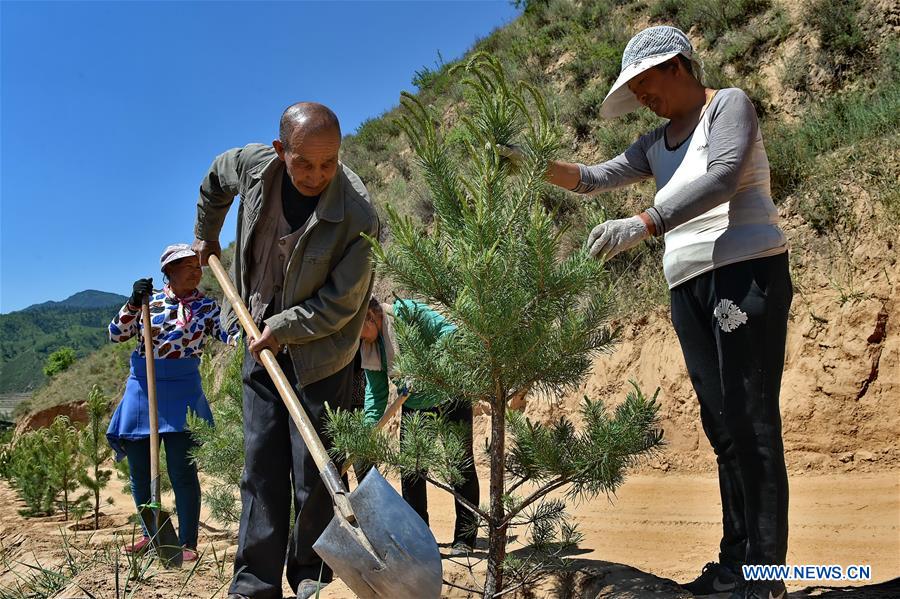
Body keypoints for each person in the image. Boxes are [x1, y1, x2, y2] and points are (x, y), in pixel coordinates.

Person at [508, 25, 792, 599]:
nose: (641, 96)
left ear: (679, 67)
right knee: (722, 429)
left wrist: (645, 223)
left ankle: (766, 576)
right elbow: (591, 180)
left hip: (742, 277)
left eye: (645, 83)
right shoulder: (654, 143)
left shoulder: (728, 106)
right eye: (633, 89)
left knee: (750, 420)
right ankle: (735, 563)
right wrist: (526, 162)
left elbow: (724, 175)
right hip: (688, 288)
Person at [192, 102, 379, 599]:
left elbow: (341, 305)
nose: (317, 174)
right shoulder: (255, 167)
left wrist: (282, 326)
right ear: (281, 151)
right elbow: (215, 178)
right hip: (260, 340)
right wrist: (206, 236)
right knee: (261, 468)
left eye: (329, 162)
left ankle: (310, 579)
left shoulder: (358, 215)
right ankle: (253, 586)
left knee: (314, 477)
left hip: (324, 358)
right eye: (304, 162)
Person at [107, 243, 239, 563]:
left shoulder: (207, 307)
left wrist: (250, 330)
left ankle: (187, 543)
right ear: (169, 271)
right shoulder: (147, 304)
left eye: (198, 267)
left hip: (184, 392)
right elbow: (116, 334)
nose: (196, 272)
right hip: (144, 390)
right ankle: (150, 534)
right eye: (188, 267)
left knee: (183, 471)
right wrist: (133, 302)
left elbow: (229, 334)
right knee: (140, 472)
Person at [359, 297, 480, 556]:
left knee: (460, 464)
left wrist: (425, 369)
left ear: (370, 317)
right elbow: (376, 394)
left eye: (357, 330)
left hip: (450, 394)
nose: (357, 339)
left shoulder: (408, 313)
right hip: (415, 403)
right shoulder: (370, 348)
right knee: (412, 469)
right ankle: (420, 538)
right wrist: (369, 431)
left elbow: (450, 335)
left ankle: (465, 539)